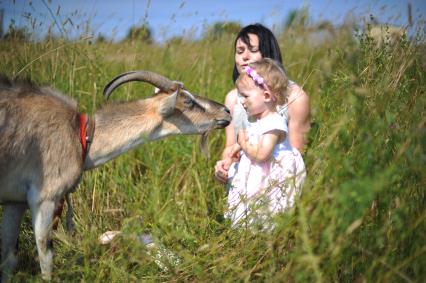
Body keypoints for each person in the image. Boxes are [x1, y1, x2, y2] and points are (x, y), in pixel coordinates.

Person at [214, 23, 310, 186]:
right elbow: (230, 146)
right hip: (244, 184)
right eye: (240, 51)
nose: (244, 56)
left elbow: (297, 154)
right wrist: (224, 165)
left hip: (278, 185)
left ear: (268, 54)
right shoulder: (232, 99)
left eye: (252, 50)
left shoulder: (295, 96)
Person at [223, 58, 306, 227]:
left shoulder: (274, 124)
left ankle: (261, 235)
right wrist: (237, 147)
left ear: (266, 95)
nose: (241, 101)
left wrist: (244, 144)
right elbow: (254, 136)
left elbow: (261, 154)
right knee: (248, 208)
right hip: (258, 172)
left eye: (245, 96)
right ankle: (246, 230)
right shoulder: (258, 120)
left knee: (265, 212)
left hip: (268, 176)